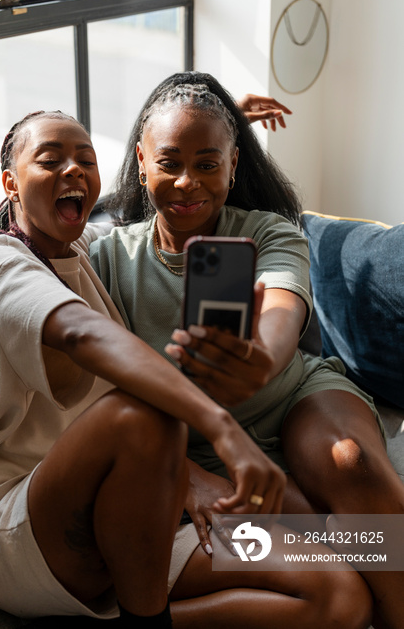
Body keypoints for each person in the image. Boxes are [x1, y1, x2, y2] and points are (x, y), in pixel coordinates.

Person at [0, 110, 371, 629]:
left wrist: (219, 118)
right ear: (10, 182)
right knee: (140, 414)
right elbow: (82, 333)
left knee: (339, 592)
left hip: (126, 523)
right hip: (17, 529)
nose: (73, 170)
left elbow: (169, 190)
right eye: (51, 160)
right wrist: (221, 429)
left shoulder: (84, 251)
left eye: (86, 160)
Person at [89, 71, 404, 629]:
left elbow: (283, 307)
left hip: (295, 395)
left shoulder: (269, 232)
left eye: (208, 165)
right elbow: (95, 400)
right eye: (170, 163)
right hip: (197, 453)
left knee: (350, 463)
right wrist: (186, 475)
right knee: (342, 564)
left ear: (234, 167)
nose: (188, 183)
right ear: (141, 161)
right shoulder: (109, 259)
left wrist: (263, 355)